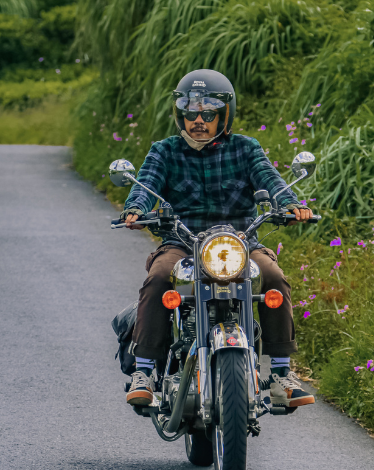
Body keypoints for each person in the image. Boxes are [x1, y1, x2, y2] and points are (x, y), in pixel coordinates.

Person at [120, 69, 315, 410]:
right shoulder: (164, 151)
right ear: (180, 114)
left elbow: (270, 179)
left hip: (239, 243)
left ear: (224, 115)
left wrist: (290, 204)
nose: (198, 120)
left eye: (208, 113)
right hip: (182, 242)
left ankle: (282, 375)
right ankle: (145, 372)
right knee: (158, 279)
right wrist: (135, 209)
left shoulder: (245, 148)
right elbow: (145, 185)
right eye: (191, 112)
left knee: (273, 277)